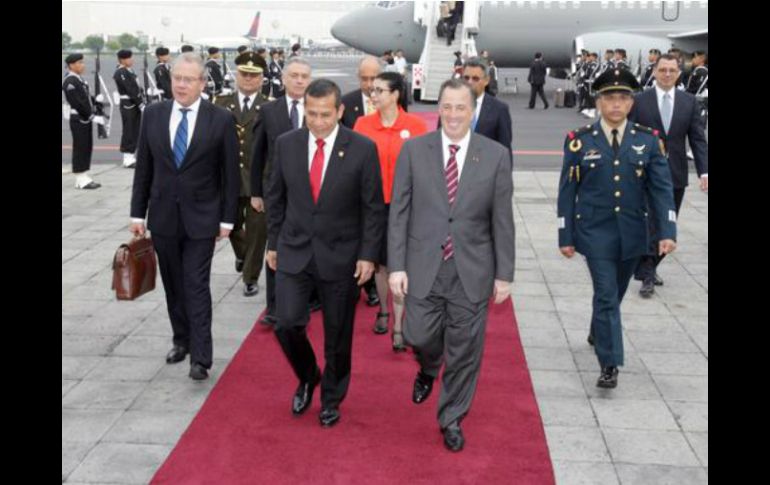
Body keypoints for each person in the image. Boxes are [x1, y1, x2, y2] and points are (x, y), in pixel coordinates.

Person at [388, 79, 515, 451]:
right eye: (447, 106)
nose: (454, 115)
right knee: (418, 335)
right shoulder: (413, 151)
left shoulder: (494, 155)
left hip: (471, 269)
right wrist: (396, 265)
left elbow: (502, 220)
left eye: (462, 107)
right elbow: (399, 212)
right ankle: (429, 366)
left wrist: (504, 274)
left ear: (473, 111)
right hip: (422, 264)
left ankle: (452, 417)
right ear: (437, 108)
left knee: (465, 350)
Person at [266, 79, 385, 427]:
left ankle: (332, 397)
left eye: (325, 115)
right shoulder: (287, 144)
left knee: (338, 334)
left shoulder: (362, 148)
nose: (318, 122)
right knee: (285, 323)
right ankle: (307, 375)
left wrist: (368, 255)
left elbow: (373, 207)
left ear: (340, 111)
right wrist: (273, 243)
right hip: (294, 249)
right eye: (311, 114)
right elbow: (275, 197)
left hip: (342, 255)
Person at [557, 68, 677, 389]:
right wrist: (565, 235)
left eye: (623, 98)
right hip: (594, 234)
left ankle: (599, 329)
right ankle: (609, 363)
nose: (616, 104)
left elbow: (662, 190)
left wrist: (668, 231)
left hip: (633, 233)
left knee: (615, 294)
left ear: (631, 103)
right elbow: (566, 193)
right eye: (609, 98)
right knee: (607, 295)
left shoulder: (648, 141)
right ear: (599, 102)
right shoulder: (579, 141)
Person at [129, 52, 239, 381]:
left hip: (202, 218)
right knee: (173, 285)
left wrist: (227, 220)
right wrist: (137, 213)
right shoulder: (154, 114)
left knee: (195, 284)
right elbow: (144, 168)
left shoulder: (219, 118)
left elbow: (230, 174)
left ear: (202, 83)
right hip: (163, 216)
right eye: (177, 77)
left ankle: (201, 357)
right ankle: (181, 340)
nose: (180, 84)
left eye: (188, 79)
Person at [354, 71, 428, 350]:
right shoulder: (362, 124)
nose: (373, 96)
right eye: (372, 91)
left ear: (395, 95)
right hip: (372, 207)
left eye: (379, 91)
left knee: (401, 263)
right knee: (381, 265)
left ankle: (399, 324)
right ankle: (384, 311)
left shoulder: (416, 126)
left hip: (407, 206)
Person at [629, 54, 708, 297]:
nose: (666, 74)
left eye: (672, 70)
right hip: (643, 173)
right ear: (654, 71)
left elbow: (697, 139)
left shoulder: (689, 102)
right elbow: (627, 135)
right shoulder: (640, 101)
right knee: (649, 224)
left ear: (679, 73)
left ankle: (648, 266)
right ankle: (648, 274)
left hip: (675, 173)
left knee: (668, 224)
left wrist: (704, 171)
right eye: (662, 70)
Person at [250, 57, 318, 326]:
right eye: (295, 75)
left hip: (310, 191)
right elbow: (258, 154)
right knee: (275, 244)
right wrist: (256, 192)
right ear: (284, 79)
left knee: (310, 243)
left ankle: (311, 298)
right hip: (277, 191)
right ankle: (274, 306)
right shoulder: (269, 111)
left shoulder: (318, 110)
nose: (300, 80)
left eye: (304, 76)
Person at [214, 51, 270, 297]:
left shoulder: (269, 107)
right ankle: (244, 256)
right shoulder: (220, 103)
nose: (248, 79)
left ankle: (250, 276)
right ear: (236, 75)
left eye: (253, 75)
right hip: (229, 178)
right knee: (232, 224)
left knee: (258, 231)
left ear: (261, 79)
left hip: (259, 178)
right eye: (244, 74)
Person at [441, 57, 513, 166]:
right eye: (466, 78)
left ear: (486, 80)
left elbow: (505, 149)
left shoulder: (499, 109)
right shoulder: (448, 106)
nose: (469, 82)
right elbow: (440, 142)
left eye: (475, 79)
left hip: (485, 174)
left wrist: (504, 179)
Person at [62, 53, 101, 189]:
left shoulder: (78, 80)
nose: (82, 65)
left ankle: (82, 176)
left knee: (86, 146)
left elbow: (85, 98)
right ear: (71, 65)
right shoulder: (70, 82)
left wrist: (96, 100)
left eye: (82, 62)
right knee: (80, 147)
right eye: (79, 62)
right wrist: (91, 115)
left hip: (83, 118)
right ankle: (80, 176)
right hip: (79, 118)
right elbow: (78, 103)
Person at [114, 49, 143, 168]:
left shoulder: (128, 71)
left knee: (135, 129)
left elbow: (136, 88)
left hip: (133, 103)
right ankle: (127, 158)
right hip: (128, 103)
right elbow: (130, 89)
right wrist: (140, 103)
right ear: (122, 60)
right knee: (129, 130)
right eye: (129, 58)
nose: (132, 60)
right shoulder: (121, 72)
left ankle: (131, 155)